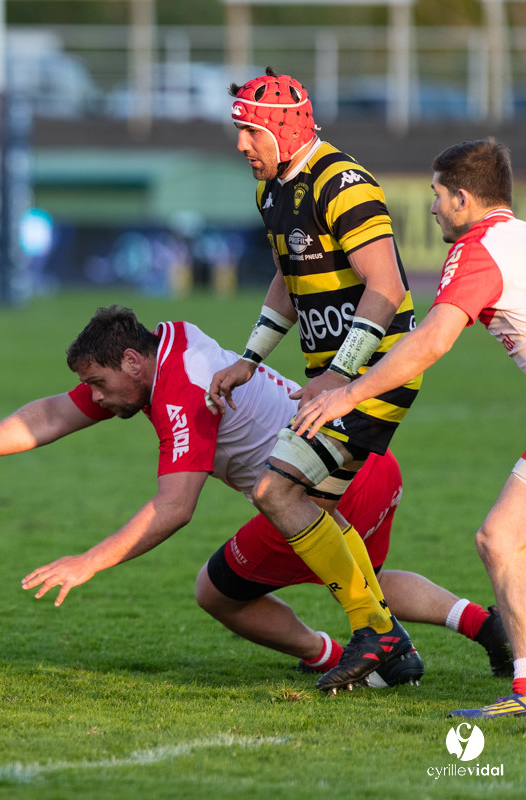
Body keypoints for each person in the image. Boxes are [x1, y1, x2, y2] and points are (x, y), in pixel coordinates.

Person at [0, 306, 511, 686]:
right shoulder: (165, 349)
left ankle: (338, 655)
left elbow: (174, 508)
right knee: (363, 579)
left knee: (218, 591)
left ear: (132, 362)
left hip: (314, 489)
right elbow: (53, 415)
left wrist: (88, 562)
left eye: (100, 383)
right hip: (370, 469)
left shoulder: (180, 393)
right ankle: (484, 627)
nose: (98, 398)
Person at [206, 68, 422, 692]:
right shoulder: (273, 191)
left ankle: (375, 633)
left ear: (280, 127)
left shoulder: (342, 183)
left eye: (249, 132)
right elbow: (288, 279)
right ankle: (391, 644)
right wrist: (251, 355)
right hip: (336, 375)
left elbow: (386, 288)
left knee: (276, 494)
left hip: (377, 372)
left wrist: (340, 375)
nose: (241, 145)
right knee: (314, 510)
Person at [295, 138, 526, 717]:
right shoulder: (517, 236)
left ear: (463, 199)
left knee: (500, 540)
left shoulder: (478, 250)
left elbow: (430, 341)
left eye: (437, 196)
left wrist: (346, 390)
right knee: (502, 539)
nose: (430, 208)